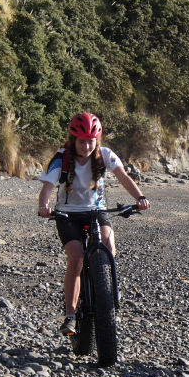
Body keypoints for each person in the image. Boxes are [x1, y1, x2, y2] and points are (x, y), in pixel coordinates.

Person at [38, 112, 150, 336]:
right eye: (82, 141)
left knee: (109, 246)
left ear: (96, 140)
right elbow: (48, 188)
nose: (86, 146)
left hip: (97, 211)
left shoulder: (104, 154)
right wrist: (44, 206)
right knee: (77, 258)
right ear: (73, 140)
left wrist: (139, 198)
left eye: (90, 141)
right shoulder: (61, 158)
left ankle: (108, 291)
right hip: (67, 215)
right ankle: (70, 315)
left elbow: (123, 177)